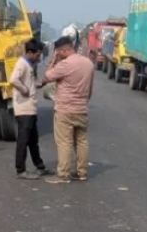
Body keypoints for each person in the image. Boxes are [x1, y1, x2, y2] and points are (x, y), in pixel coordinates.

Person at [42, 36, 94, 183]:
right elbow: (90, 89)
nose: (58, 54)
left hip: (65, 109)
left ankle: (63, 174)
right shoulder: (88, 63)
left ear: (64, 50)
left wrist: (54, 60)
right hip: (82, 108)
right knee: (81, 141)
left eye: (58, 52)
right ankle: (82, 172)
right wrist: (84, 102)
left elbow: (46, 77)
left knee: (64, 142)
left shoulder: (65, 65)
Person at [11, 39, 49, 179]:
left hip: (30, 107)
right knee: (24, 140)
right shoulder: (22, 64)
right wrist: (24, 90)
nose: (39, 58)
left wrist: (37, 84)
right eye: (38, 55)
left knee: (33, 140)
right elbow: (13, 79)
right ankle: (21, 170)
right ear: (30, 52)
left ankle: (40, 166)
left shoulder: (29, 64)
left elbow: (28, 82)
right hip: (24, 108)